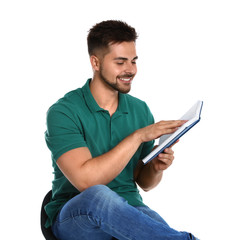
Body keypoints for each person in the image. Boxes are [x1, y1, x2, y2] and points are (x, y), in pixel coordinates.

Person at [44, 20, 199, 240]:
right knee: (98, 195)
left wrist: (156, 166)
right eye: (120, 62)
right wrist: (137, 137)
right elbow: (86, 182)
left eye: (134, 61)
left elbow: (144, 182)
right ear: (95, 63)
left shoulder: (139, 109)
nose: (130, 70)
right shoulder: (63, 112)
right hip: (76, 217)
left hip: (130, 210)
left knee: (164, 233)